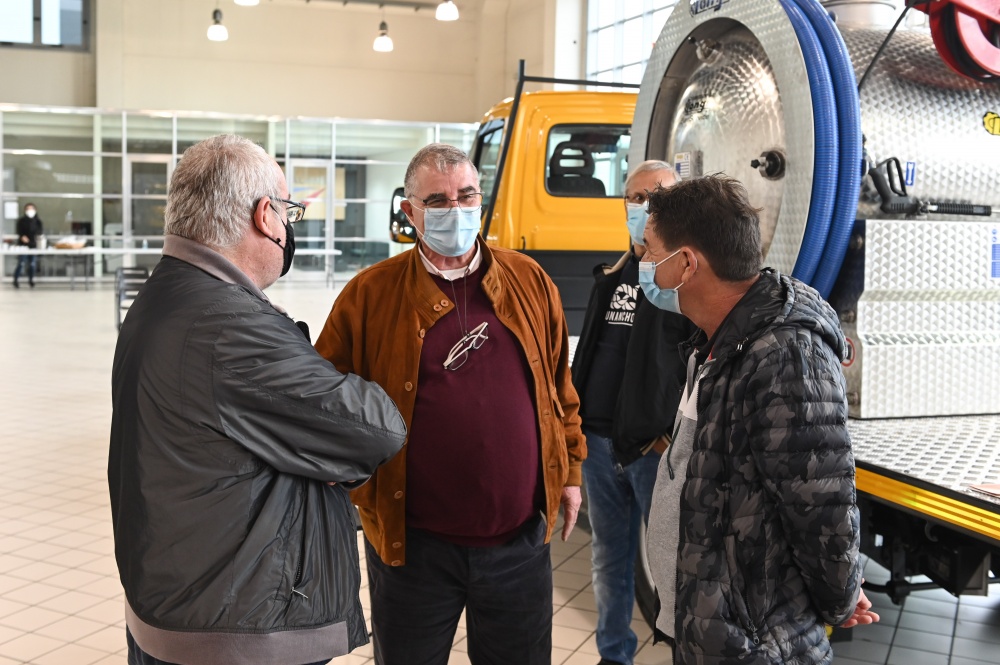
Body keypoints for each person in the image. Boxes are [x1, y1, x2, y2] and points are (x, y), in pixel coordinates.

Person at [109, 134, 408, 665]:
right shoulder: (228, 324)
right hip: (236, 634)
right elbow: (375, 429)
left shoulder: (167, 293)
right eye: (289, 211)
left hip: (181, 607)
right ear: (266, 215)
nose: (290, 227)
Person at [314, 143, 586, 665]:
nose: (455, 210)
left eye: (466, 196)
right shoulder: (370, 295)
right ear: (409, 212)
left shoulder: (530, 282)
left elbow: (560, 389)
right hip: (412, 550)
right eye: (437, 202)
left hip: (518, 546)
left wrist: (570, 472)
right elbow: (325, 395)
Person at [639, 174, 878, 664]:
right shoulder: (720, 339)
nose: (643, 265)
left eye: (649, 251)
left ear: (686, 264)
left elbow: (822, 507)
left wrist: (840, 596)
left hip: (756, 644)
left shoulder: (787, 354)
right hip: (712, 627)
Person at [570, 160, 697, 665]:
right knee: (608, 558)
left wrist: (668, 435)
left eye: (656, 196)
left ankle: (681, 651)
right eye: (635, 197)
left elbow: (694, 370)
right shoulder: (613, 275)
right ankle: (613, 654)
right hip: (599, 448)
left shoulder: (684, 285)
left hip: (652, 452)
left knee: (671, 563)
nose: (643, 207)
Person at [13, 202, 43, 288]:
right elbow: (20, 233)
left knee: (32, 264)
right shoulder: (21, 221)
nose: (30, 211)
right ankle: (16, 280)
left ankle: (31, 280)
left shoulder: (38, 221)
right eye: (28, 209)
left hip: (34, 245)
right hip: (23, 245)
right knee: (21, 263)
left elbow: (40, 232)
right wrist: (23, 238)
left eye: (31, 209)